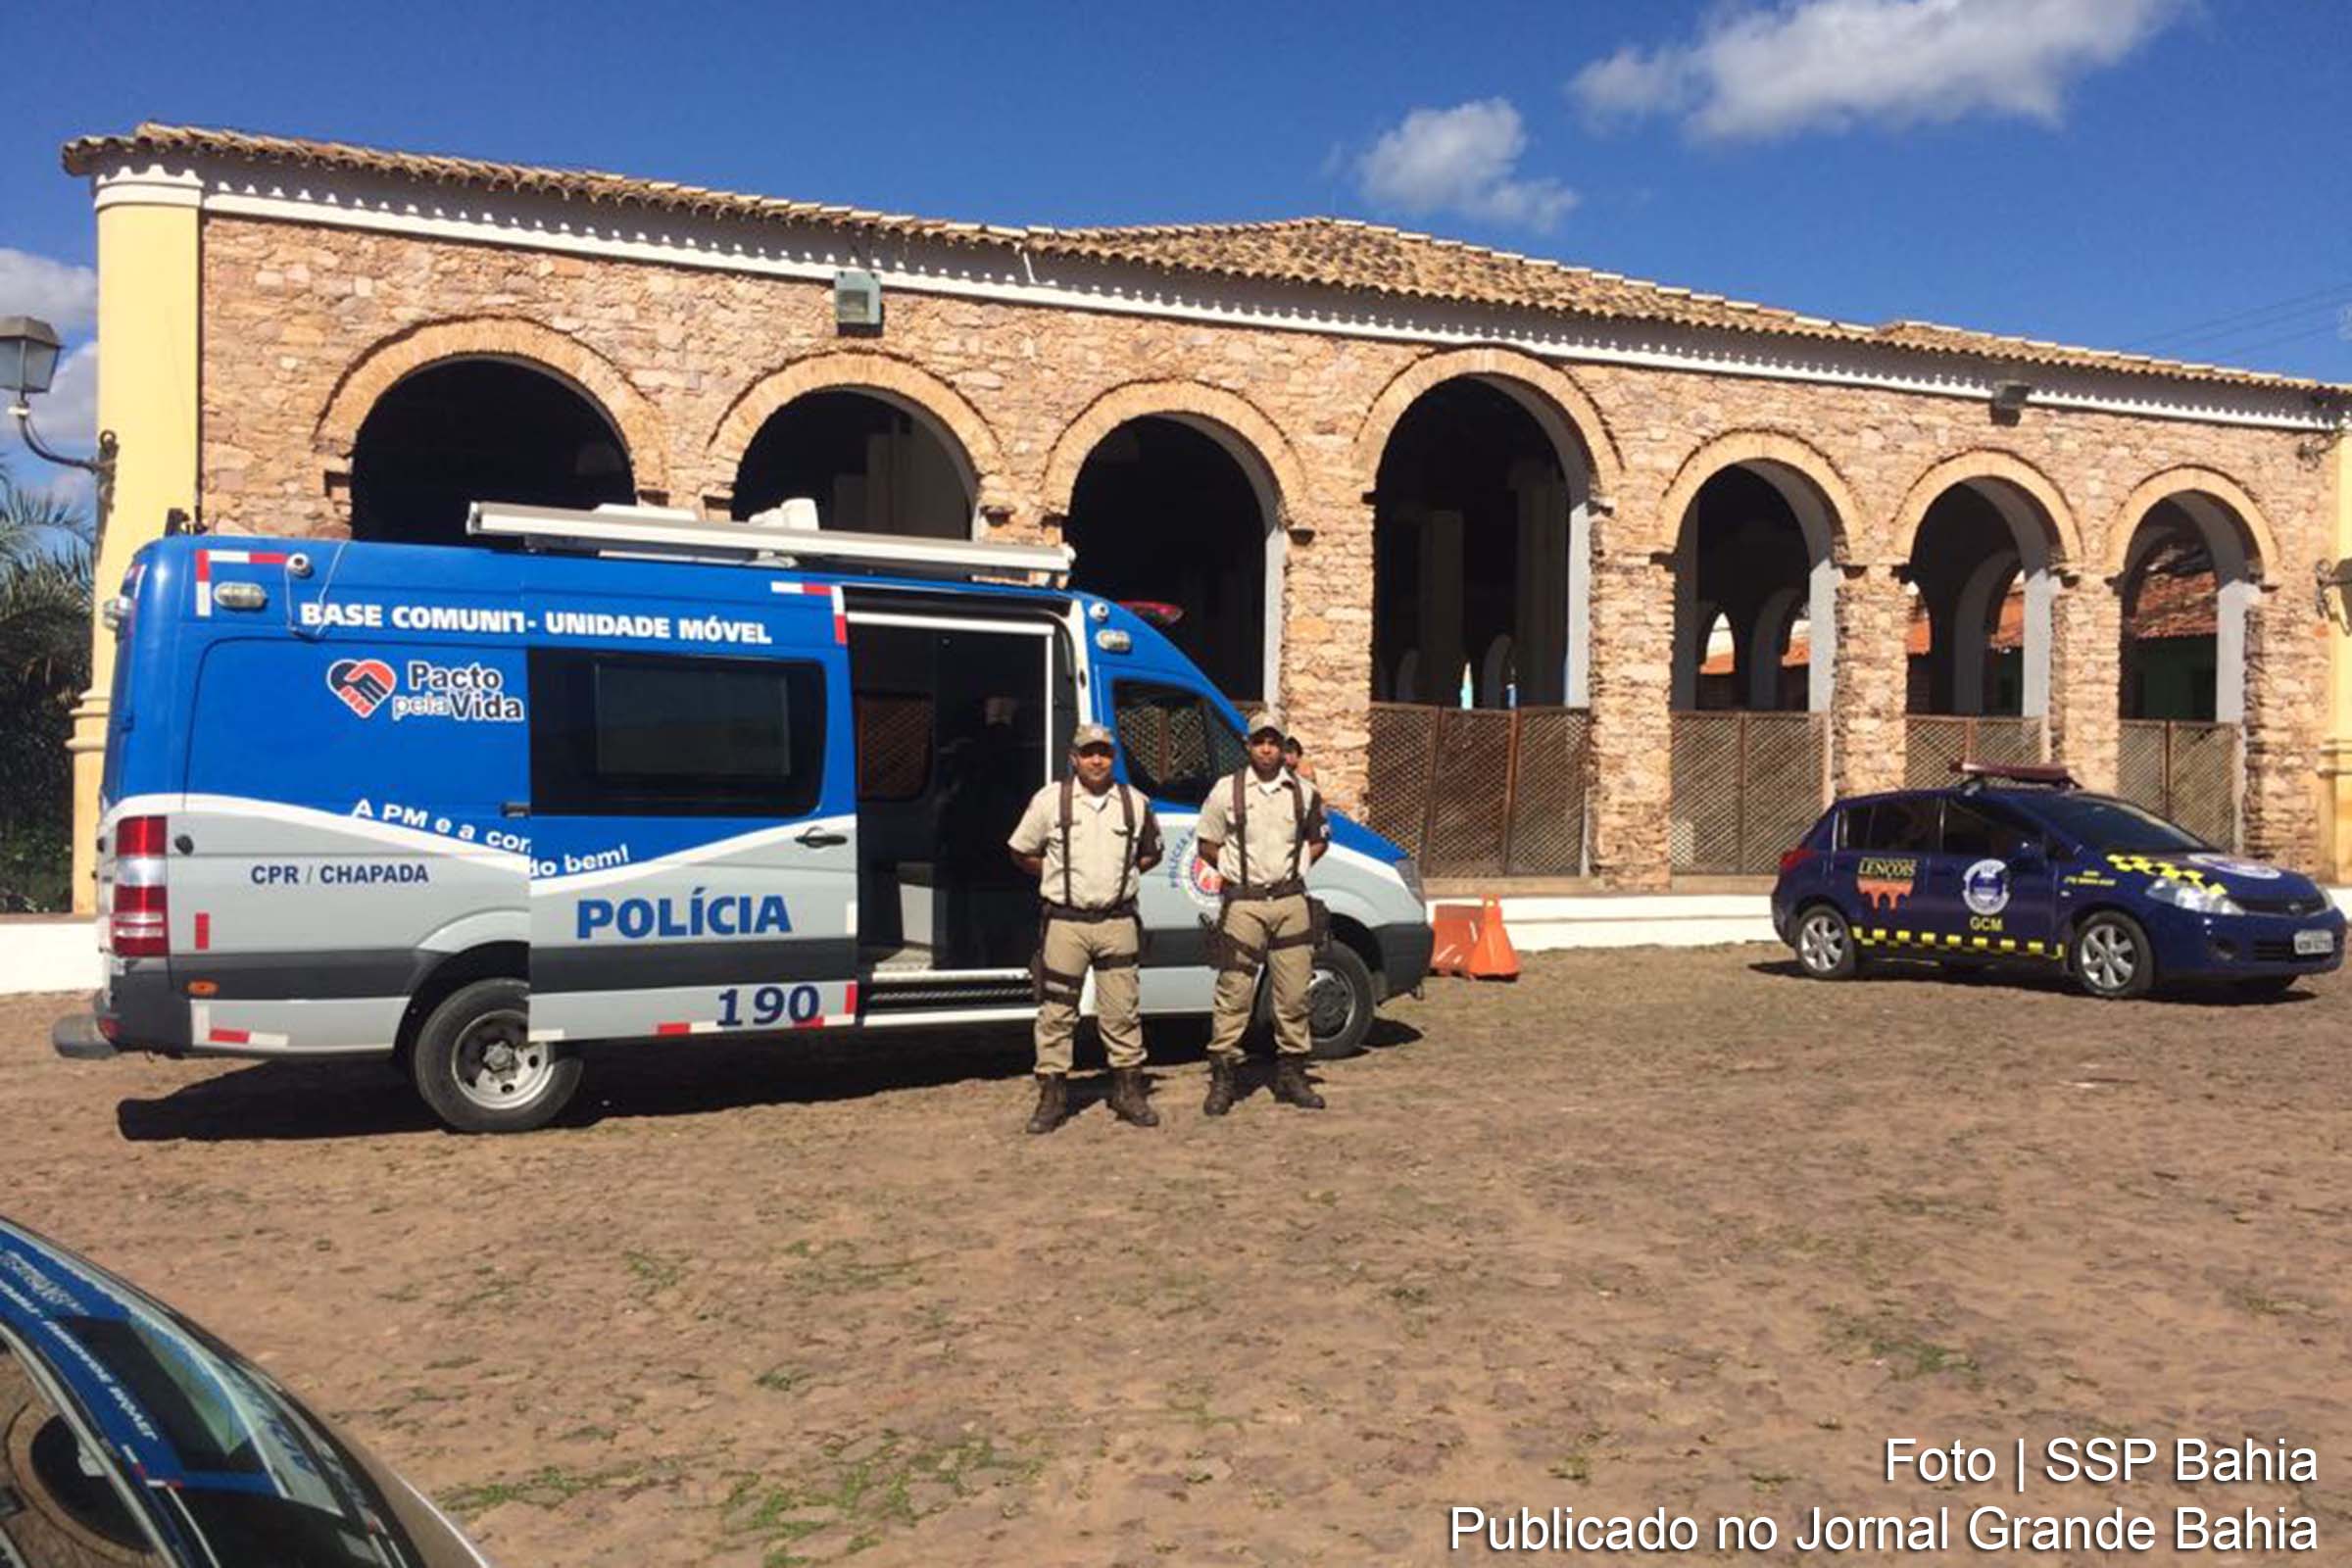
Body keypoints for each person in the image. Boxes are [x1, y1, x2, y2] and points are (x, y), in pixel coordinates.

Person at [1006, 723, 1164, 1133]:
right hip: (1066, 922)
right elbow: (1021, 850)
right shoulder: (1049, 801)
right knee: (1056, 1011)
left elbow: (1150, 853)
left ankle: (1128, 1092)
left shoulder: (1135, 803)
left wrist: (1119, 878)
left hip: (1117, 921)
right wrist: (1056, 875)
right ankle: (1052, 1096)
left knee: (1122, 1012)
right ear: (1073, 758)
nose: (1097, 760)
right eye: (1088, 752)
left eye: (1105, 753)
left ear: (1114, 759)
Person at [1193, 708, 1332, 1115]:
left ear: (1284, 747)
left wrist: (1296, 870)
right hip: (1244, 904)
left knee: (1293, 995)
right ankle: (1223, 1078)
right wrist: (1237, 877)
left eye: (1274, 742)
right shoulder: (1226, 791)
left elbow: (1319, 839)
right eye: (1260, 741)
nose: (1267, 749)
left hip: (1290, 902)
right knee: (1233, 993)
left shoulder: (1303, 793)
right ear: (1247, 746)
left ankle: (1292, 1075)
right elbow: (1207, 843)